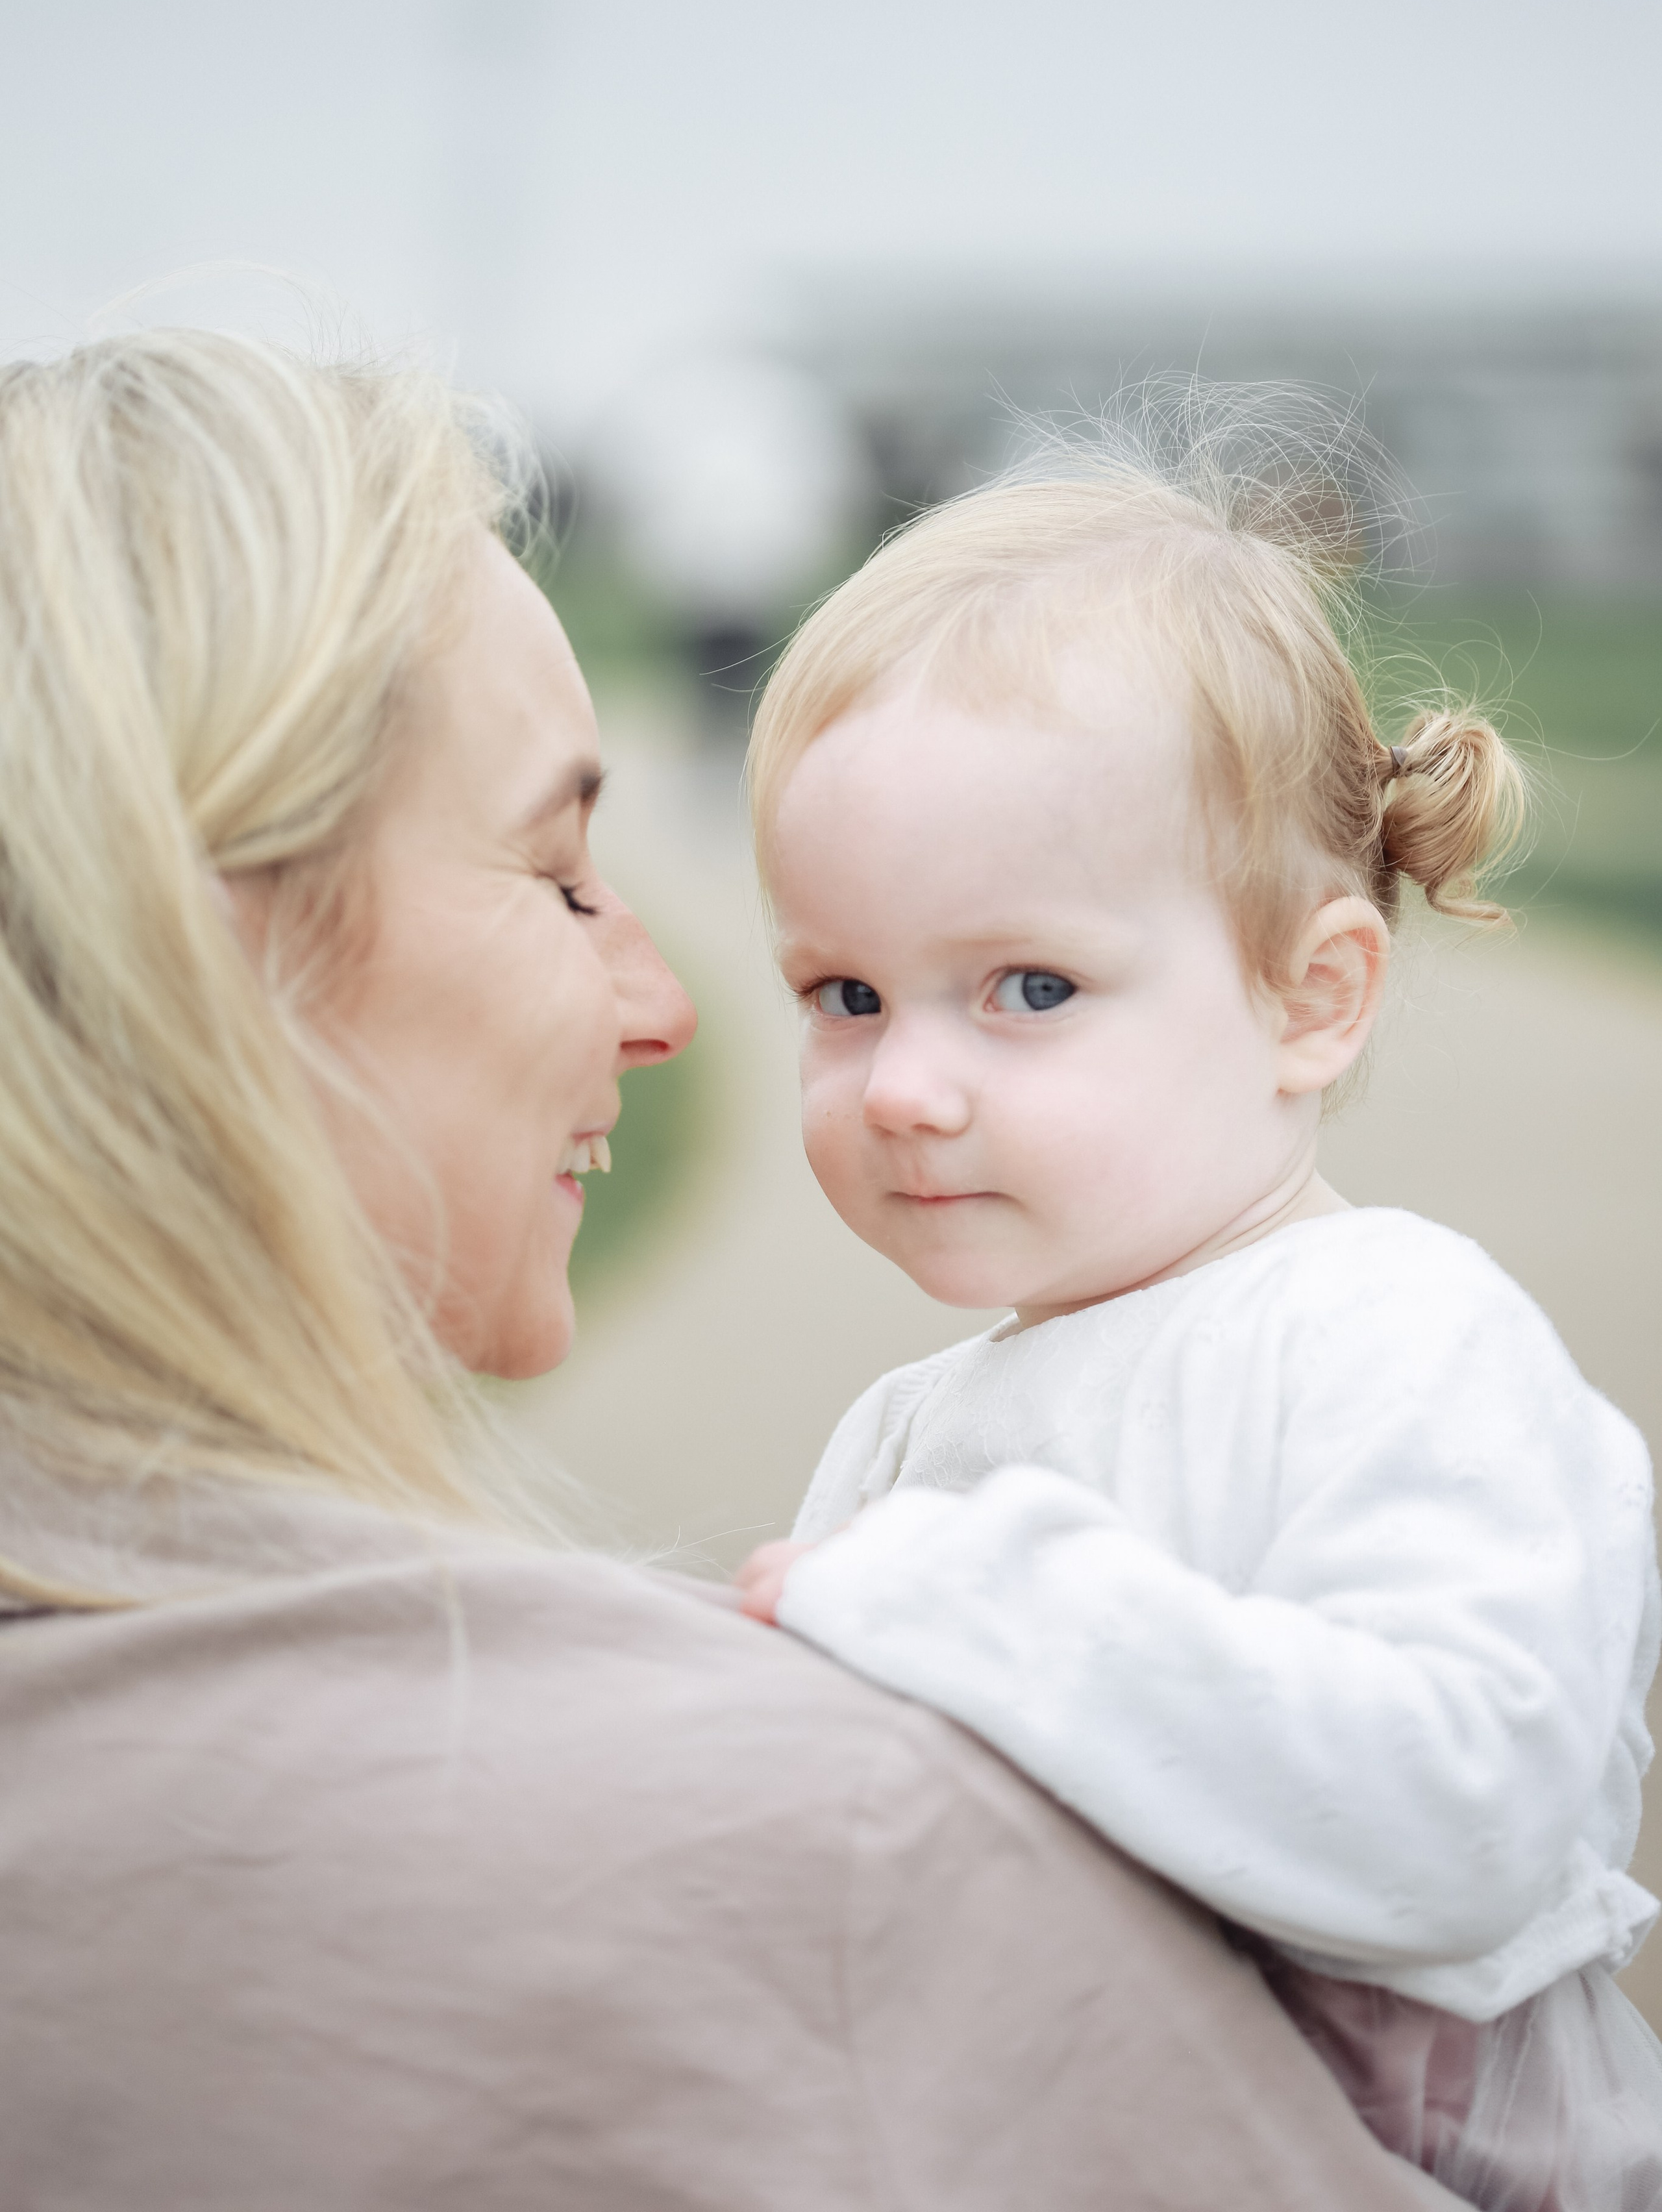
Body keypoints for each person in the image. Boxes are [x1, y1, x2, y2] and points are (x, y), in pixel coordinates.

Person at [0, 334, 1463, 2211]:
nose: (668, 1005)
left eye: (1029, 987)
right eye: (559, 875)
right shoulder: (839, 1854)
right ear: (202, 966)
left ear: (1321, 994)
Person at [736, 401, 1662, 2210]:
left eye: (1026, 987)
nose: (903, 1087)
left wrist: (983, 1605)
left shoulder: (1392, 1337)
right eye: (846, 997)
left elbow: (1462, 1808)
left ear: (1311, 999)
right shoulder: (905, 1434)